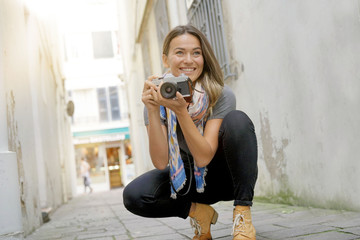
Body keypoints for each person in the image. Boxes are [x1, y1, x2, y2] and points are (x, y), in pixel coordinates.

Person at [123, 24, 258, 240]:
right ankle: (200, 214)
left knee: (237, 121)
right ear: (166, 60)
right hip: (188, 183)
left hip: (225, 178)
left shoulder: (220, 95)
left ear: (204, 59)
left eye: (196, 53)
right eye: (180, 53)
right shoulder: (157, 98)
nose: (189, 60)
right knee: (134, 195)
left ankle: (243, 216)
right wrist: (152, 110)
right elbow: (160, 162)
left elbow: (204, 157)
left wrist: (181, 112)